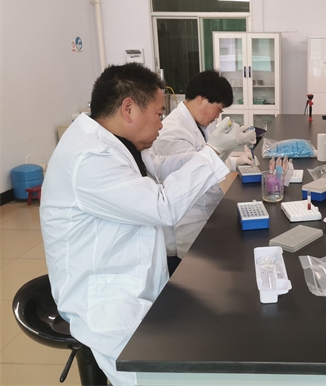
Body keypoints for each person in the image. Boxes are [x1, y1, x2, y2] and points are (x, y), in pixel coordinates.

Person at [40, 63, 255, 385]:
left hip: (136, 280)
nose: (162, 123)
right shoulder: (90, 157)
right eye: (158, 114)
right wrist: (211, 153)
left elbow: (163, 167)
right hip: (107, 302)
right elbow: (162, 206)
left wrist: (218, 155)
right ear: (128, 109)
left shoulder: (118, 143)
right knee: (164, 377)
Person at [150, 70, 257, 262]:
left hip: (203, 212)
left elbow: (205, 158)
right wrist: (224, 147)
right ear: (201, 99)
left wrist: (233, 158)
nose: (218, 116)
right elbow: (194, 172)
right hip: (186, 226)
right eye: (219, 109)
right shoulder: (173, 132)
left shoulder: (197, 124)